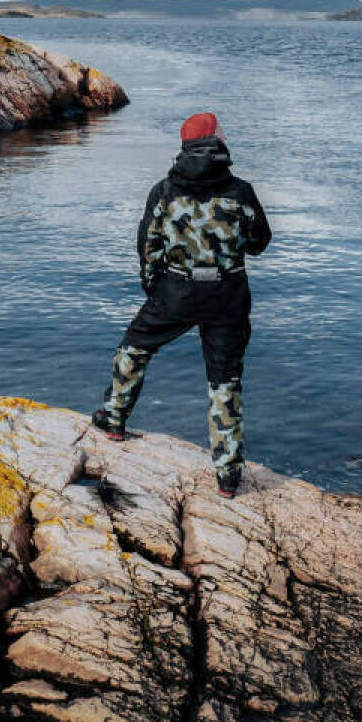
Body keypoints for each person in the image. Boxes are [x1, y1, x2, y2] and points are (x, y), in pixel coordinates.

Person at [91, 111, 271, 496]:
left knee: (135, 346)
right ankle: (227, 474)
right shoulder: (240, 191)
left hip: (177, 290)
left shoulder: (164, 190)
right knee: (225, 380)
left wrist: (155, 289)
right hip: (229, 294)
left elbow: (148, 247)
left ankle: (114, 418)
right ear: (216, 142)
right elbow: (259, 243)